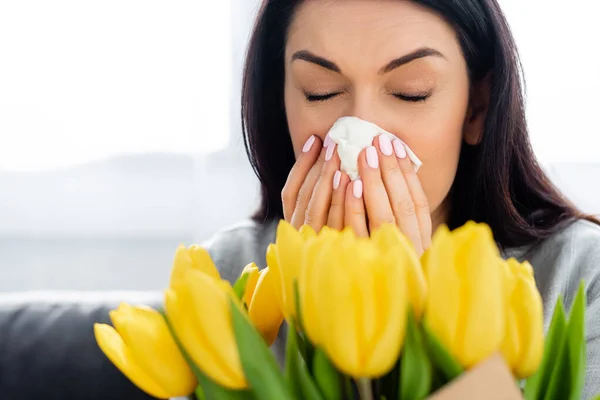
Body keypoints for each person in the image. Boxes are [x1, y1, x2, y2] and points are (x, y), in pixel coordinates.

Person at [204, 0, 600, 397]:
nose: (361, 137)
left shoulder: (580, 278)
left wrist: (414, 319)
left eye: (411, 93)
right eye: (320, 92)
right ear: (282, 101)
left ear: (476, 109)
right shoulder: (226, 278)